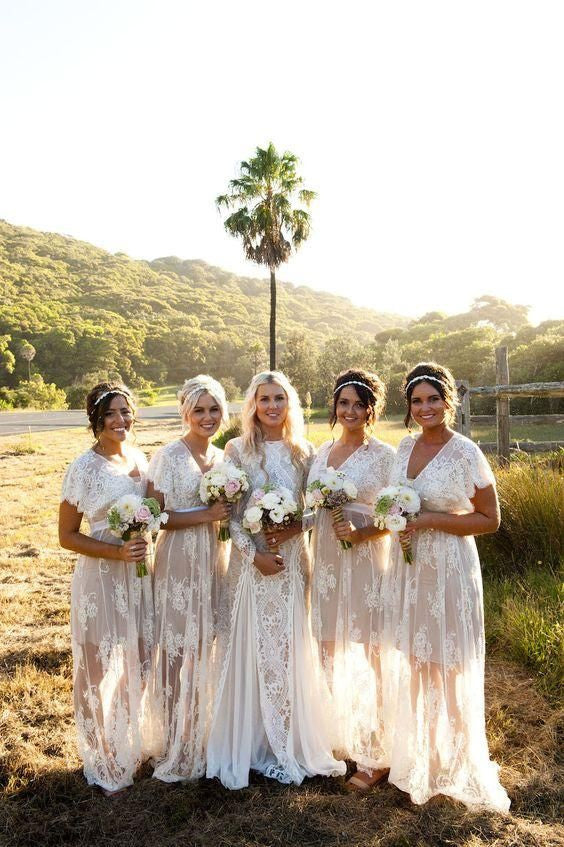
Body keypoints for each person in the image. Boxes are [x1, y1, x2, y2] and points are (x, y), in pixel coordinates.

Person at [206, 371, 346, 789]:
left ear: (290, 404)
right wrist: (255, 556)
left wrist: (293, 528)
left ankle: (285, 738)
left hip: (291, 564)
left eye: (279, 398)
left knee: (285, 648)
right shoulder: (236, 450)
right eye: (264, 399)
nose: (271, 406)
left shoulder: (305, 452)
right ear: (253, 404)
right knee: (249, 645)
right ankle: (247, 741)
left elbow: (317, 510)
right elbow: (230, 518)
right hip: (249, 566)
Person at [382, 362, 510, 811]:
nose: (425, 408)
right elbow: (395, 503)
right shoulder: (403, 446)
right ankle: (423, 754)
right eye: (416, 401)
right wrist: (399, 523)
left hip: (450, 566)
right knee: (418, 660)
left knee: (450, 661)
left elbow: (490, 520)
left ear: (448, 401)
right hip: (410, 566)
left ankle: (456, 758)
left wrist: (430, 520)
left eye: (433, 399)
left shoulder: (466, 452)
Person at [58, 382, 153, 795]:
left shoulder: (139, 458)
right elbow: (66, 536)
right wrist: (116, 553)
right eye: (111, 413)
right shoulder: (84, 468)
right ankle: (100, 755)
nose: (120, 420)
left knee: (142, 660)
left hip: (139, 577)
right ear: (96, 420)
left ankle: (121, 737)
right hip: (100, 577)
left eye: (125, 412)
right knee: (96, 670)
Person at [308, 369, 396, 790]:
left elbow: (398, 513)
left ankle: (377, 754)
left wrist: (362, 533)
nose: (350, 411)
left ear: (371, 410)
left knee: (369, 650)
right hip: (326, 558)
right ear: (335, 406)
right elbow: (311, 510)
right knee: (328, 646)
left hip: (365, 558)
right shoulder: (321, 452)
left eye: (360, 405)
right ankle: (339, 738)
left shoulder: (384, 456)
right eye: (344, 403)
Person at [146, 375, 230, 781]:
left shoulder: (223, 459)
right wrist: (206, 515)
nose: (207, 417)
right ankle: (173, 739)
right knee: (176, 647)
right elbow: (154, 515)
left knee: (205, 644)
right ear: (185, 412)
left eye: (214, 409)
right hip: (178, 556)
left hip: (214, 556)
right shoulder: (167, 456)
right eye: (199, 410)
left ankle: (199, 731)